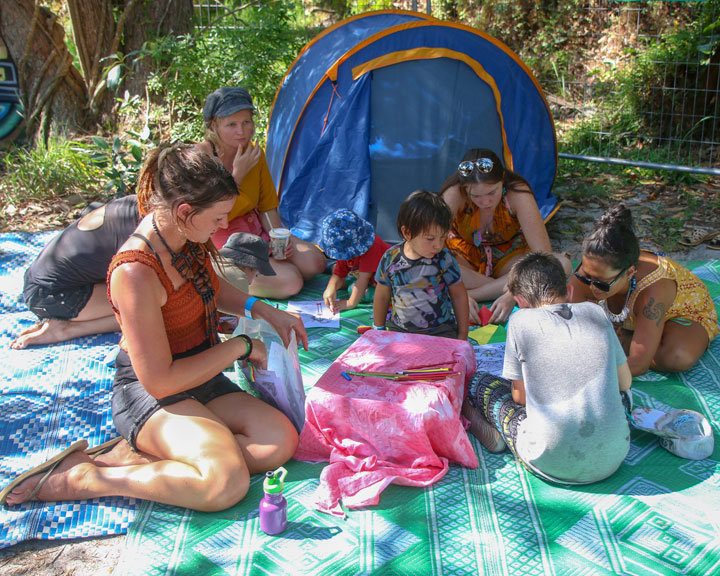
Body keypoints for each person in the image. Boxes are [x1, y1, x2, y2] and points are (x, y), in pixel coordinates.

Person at [1, 144, 307, 511]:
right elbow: (160, 381)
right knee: (224, 483)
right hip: (152, 393)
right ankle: (86, 479)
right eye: (218, 217)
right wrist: (241, 346)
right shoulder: (135, 272)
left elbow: (213, 285)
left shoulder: (185, 235)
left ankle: (152, 456)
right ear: (184, 211)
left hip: (200, 375)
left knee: (277, 441)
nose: (224, 226)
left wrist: (263, 310)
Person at [463, 252, 632, 485]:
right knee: (617, 395)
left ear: (520, 301)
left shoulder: (520, 321)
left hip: (547, 459)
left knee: (476, 382)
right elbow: (625, 384)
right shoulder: (596, 313)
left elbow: (520, 398)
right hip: (615, 454)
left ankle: (491, 428)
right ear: (569, 292)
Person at [195, 86, 326, 299]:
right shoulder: (201, 157)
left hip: (256, 233)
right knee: (291, 281)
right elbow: (208, 215)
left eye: (246, 122)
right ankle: (217, 278)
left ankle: (260, 269)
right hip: (224, 243)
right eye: (232, 124)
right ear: (214, 125)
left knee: (315, 262)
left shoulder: (254, 152)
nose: (241, 131)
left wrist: (278, 241)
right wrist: (236, 176)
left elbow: (267, 207)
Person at [568, 204, 719, 376]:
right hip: (638, 319)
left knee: (677, 357)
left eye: (602, 283)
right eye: (586, 277)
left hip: (680, 315)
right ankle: (631, 337)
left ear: (630, 272)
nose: (592, 286)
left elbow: (639, 365)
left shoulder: (653, 291)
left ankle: (634, 338)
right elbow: (560, 322)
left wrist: (584, 377)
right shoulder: (591, 272)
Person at [440, 148, 570, 324]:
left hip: (510, 260)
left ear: (502, 180)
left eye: (492, 192)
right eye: (476, 196)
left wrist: (512, 293)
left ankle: (473, 293)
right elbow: (430, 247)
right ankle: (493, 288)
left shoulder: (517, 194)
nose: (485, 202)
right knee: (438, 265)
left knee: (562, 264)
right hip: (464, 260)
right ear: (465, 189)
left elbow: (544, 255)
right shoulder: (454, 194)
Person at [10, 195, 140, 349]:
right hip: (54, 296)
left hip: (41, 287)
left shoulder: (132, 204)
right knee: (155, 310)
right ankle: (66, 329)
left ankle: (65, 323)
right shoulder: (146, 228)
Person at [373, 190, 469, 341]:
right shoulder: (391, 258)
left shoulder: (444, 259)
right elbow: (382, 296)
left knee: (447, 361)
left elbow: (458, 295)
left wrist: (463, 334)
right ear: (407, 233)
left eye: (442, 237)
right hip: (400, 329)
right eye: (430, 239)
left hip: (440, 330)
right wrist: (378, 329)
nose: (437, 245)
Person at [319, 208, 390, 313]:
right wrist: (330, 288)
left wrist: (350, 303)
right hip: (363, 276)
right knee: (340, 280)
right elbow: (339, 271)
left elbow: (363, 279)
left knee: (355, 290)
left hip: (385, 282)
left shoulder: (372, 248)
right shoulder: (347, 250)